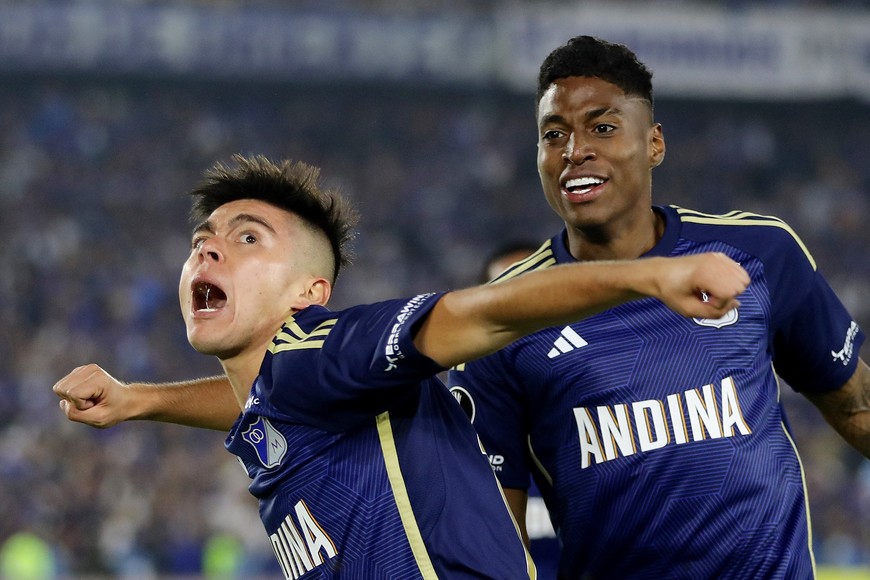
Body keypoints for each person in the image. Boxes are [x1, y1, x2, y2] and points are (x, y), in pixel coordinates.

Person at [54, 154, 749, 578]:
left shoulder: (317, 347)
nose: (208, 250)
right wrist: (138, 399)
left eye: (247, 238)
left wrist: (650, 275)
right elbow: (257, 406)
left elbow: (480, 315)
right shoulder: (290, 393)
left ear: (308, 295)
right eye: (203, 240)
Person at [446, 35, 870, 578]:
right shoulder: (501, 320)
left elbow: (856, 406)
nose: (575, 150)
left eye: (602, 127)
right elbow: (491, 541)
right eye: (554, 135)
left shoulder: (760, 252)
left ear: (654, 144)